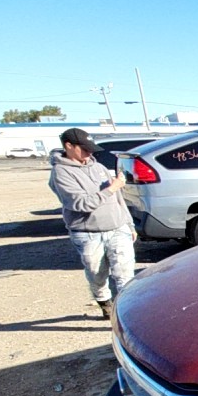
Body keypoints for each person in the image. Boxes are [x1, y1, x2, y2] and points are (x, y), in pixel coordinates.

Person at [48, 128, 136, 320]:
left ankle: (127, 315)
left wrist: (128, 223)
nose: (89, 153)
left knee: (124, 273)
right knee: (97, 273)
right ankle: (104, 301)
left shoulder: (99, 167)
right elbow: (81, 204)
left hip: (117, 227)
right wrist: (111, 188)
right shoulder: (61, 173)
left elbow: (118, 198)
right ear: (68, 146)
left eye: (91, 149)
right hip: (88, 232)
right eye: (84, 149)